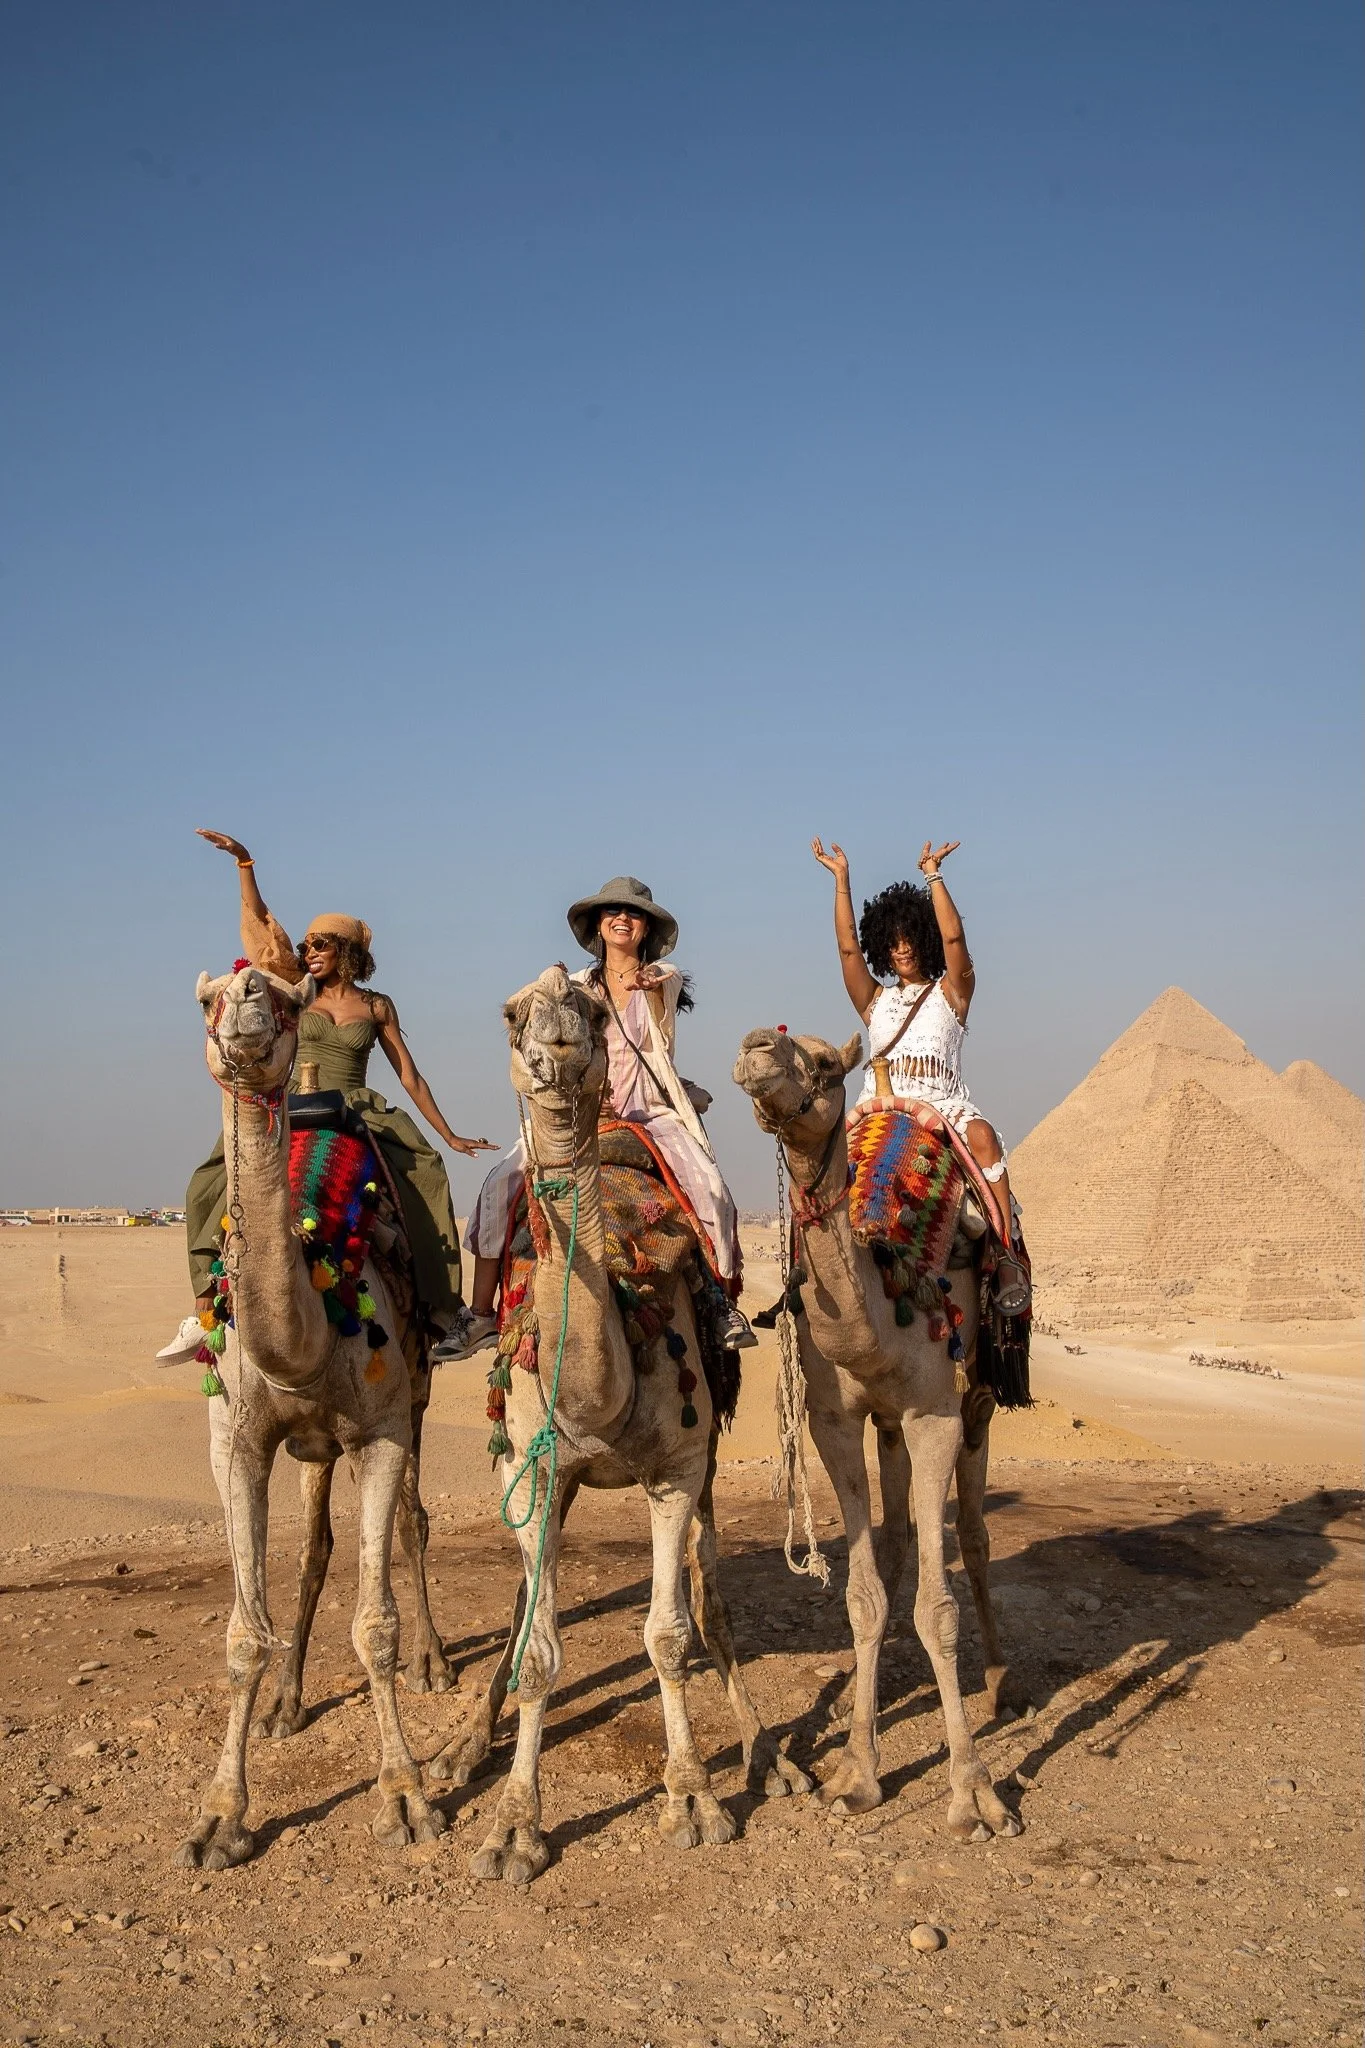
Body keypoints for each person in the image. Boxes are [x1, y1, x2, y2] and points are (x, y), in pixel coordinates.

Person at [156, 830, 496, 1360]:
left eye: (321, 944)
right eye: (307, 944)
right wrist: (245, 863)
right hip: (290, 1105)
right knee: (209, 1180)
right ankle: (203, 1308)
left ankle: (441, 1311)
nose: (308, 951)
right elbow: (263, 928)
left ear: (348, 952)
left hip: (357, 1107)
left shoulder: (377, 1006)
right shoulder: (292, 990)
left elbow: (409, 1075)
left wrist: (448, 1135)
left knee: (425, 1177)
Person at [442, 874, 754, 1357]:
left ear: (646, 928)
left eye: (632, 913)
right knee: (497, 1186)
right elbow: (527, 1009)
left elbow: (659, 987)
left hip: (646, 1113)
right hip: (580, 1117)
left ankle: (720, 1303)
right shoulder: (577, 987)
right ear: (598, 925)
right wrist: (552, 983)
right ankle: (481, 1314)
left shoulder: (663, 978)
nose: (622, 919)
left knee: (710, 1189)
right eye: (613, 912)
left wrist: (645, 983)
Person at [811, 835, 1030, 1315]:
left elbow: (956, 940)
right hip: (879, 1110)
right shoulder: (876, 1003)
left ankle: (1004, 1252)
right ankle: (798, 1283)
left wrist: (934, 876)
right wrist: (842, 881)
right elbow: (847, 952)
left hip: (941, 1110)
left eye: (910, 938)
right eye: (893, 942)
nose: (903, 948)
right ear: (884, 948)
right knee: (815, 1174)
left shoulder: (953, 993)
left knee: (984, 1137)